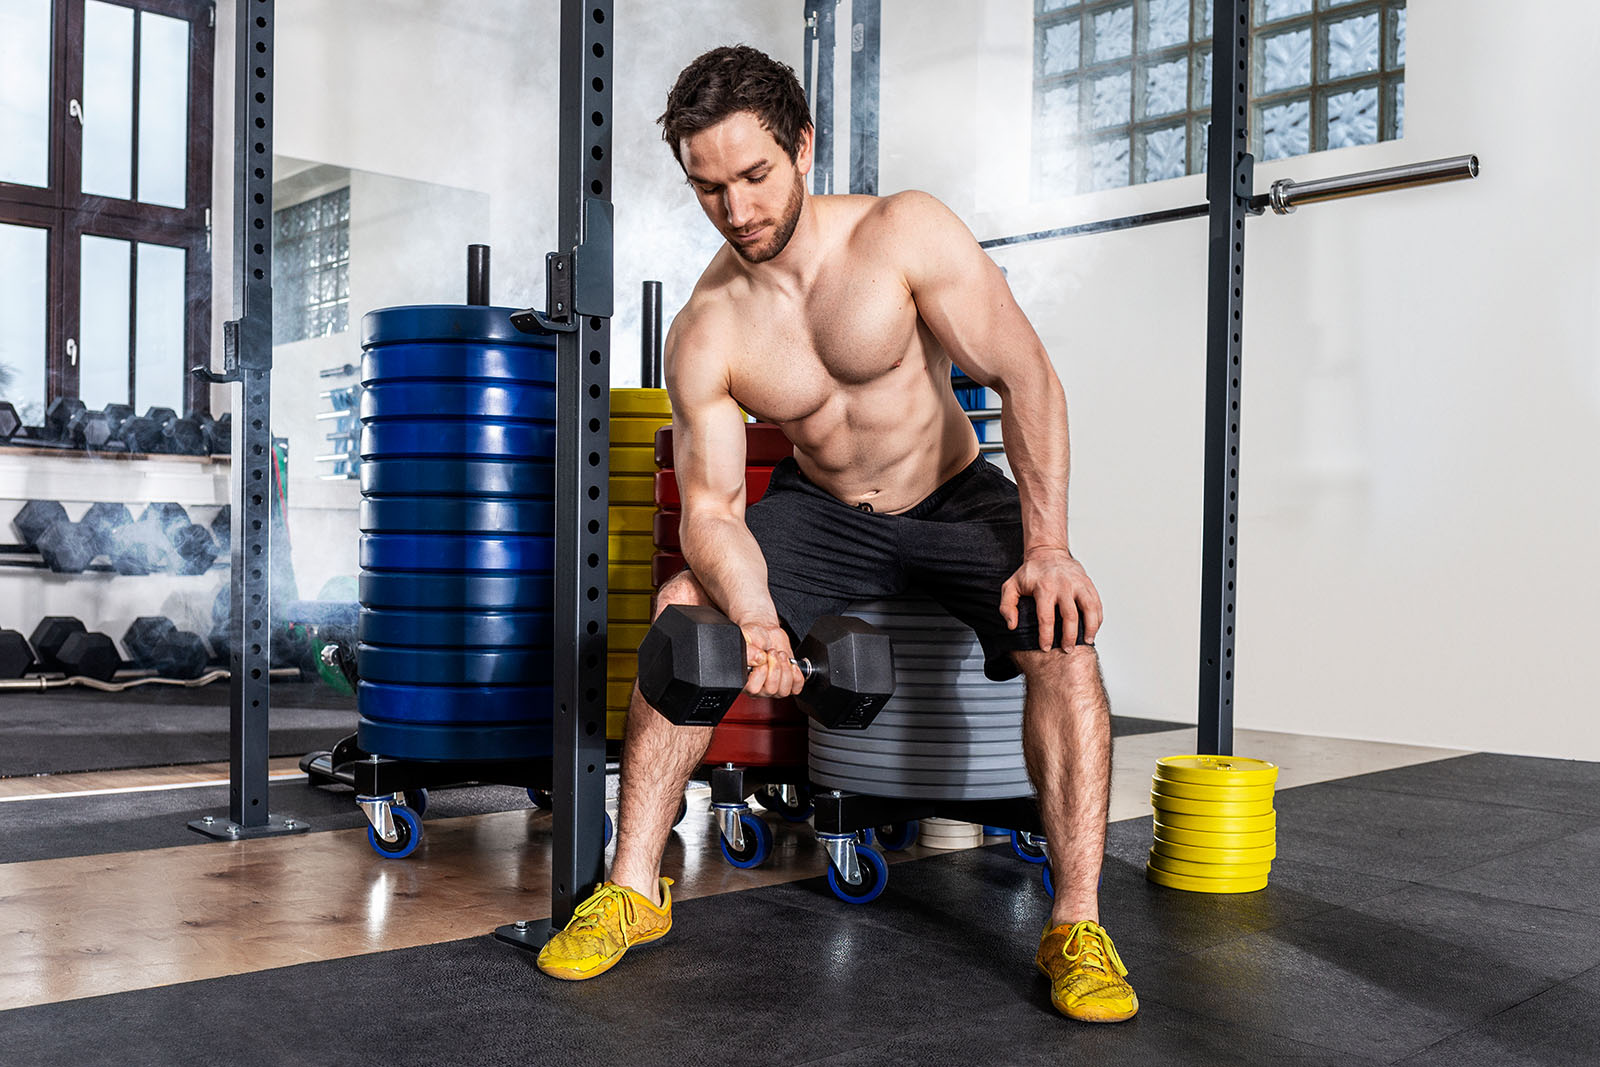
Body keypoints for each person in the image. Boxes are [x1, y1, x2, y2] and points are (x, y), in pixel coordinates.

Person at [535, 44, 1136, 1024]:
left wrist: (1050, 545)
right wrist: (758, 614)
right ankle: (633, 885)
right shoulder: (708, 327)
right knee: (689, 610)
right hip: (822, 511)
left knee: (1060, 633)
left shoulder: (905, 233)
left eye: (754, 175)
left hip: (950, 493)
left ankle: (1074, 921)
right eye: (708, 189)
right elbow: (716, 512)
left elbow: (1028, 375)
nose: (737, 210)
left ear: (803, 145)